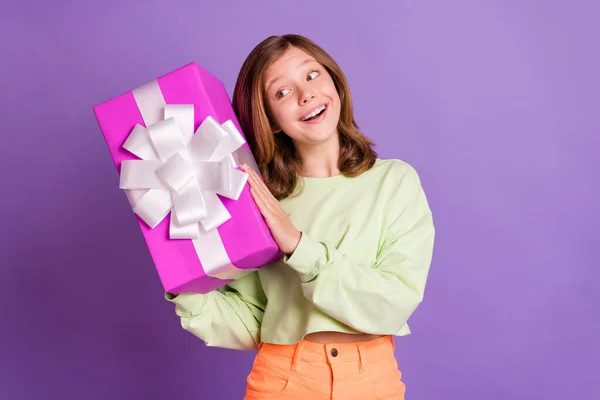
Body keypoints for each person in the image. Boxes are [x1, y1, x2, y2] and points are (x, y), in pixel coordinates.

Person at [165, 34, 435, 400]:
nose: (305, 95)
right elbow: (253, 322)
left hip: (371, 381)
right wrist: (182, 277)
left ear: (334, 82)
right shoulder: (254, 198)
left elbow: (393, 301)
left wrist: (298, 246)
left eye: (311, 75)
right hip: (282, 381)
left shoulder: (394, 181)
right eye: (282, 93)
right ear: (271, 121)